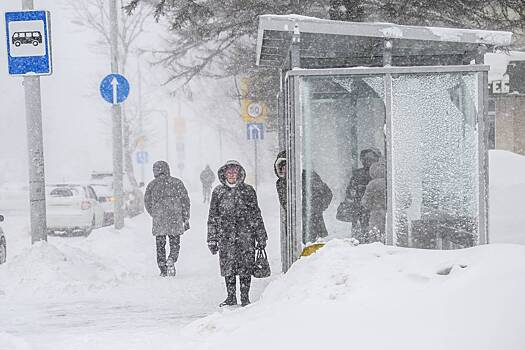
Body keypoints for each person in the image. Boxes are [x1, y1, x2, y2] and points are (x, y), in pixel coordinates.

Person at [207, 160, 268, 307]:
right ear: (224, 174)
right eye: (229, 172)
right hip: (225, 237)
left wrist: (261, 236)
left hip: (246, 236)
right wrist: (212, 238)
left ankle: (245, 297)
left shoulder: (248, 191)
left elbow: (256, 214)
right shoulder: (218, 192)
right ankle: (231, 297)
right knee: (228, 267)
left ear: (239, 173)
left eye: (235, 172)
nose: (232, 175)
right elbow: (213, 216)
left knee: (245, 267)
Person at [274, 151, 333, 243]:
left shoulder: (308, 176)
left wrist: (316, 208)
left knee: (314, 253)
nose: (285, 169)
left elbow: (327, 193)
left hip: (313, 224)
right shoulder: (280, 183)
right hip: (294, 227)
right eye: (282, 167)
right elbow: (286, 205)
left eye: (287, 166)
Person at [144, 161, 190, 277]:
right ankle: (171, 259)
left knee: (160, 245)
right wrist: (185, 216)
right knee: (175, 243)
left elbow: (147, 202)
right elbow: (185, 201)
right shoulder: (177, 183)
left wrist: (154, 214)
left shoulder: (152, 185)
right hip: (175, 217)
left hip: (159, 219)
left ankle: (162, 269)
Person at [338, 148, 381, 243]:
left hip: (367, 211)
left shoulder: (361, 174)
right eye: (366, 159)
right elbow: (350, 193)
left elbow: (350, 193)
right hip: (361, 211)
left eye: (371, 159)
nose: (368, 162)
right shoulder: (358, 174)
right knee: (364, 237)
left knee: (365, 237)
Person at [361, 160, 386, 243]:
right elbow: (407, 201)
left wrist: (374, 206)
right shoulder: (393, 182)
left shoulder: (372, 184)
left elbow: (365, 202)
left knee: (377, 239)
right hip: (394, 216)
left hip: (377, 215)